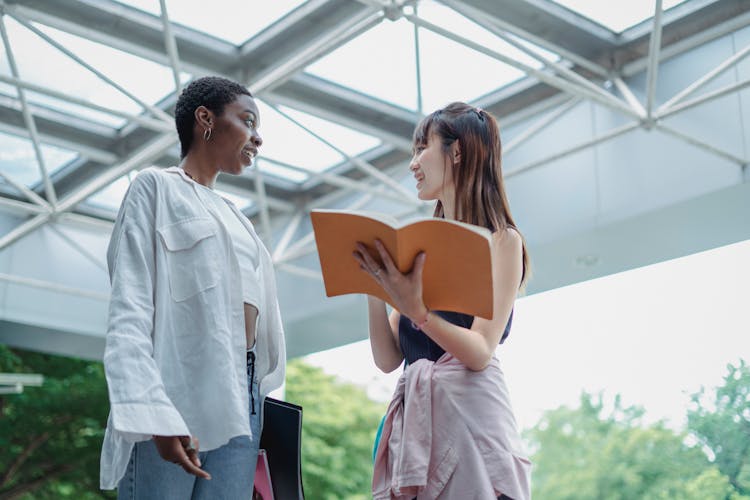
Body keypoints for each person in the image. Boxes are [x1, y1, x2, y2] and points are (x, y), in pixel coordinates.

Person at [99, 76, 286, 499]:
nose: (258, 138)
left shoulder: (240, 219)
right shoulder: (155, 188)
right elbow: (129, 310)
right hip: (176, 387)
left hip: (244, 394)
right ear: (205, 118)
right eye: (248, 120)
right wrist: (154, 413)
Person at [354, 102, 531, 499]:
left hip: (472, 417)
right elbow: (387, 360)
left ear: (456, 151)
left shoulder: (503, 241)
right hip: (417, 421)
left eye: (422, 148)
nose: (413, 162)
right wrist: (373, 285)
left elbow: (480, 351)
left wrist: (417, 310)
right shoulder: (418, 246)